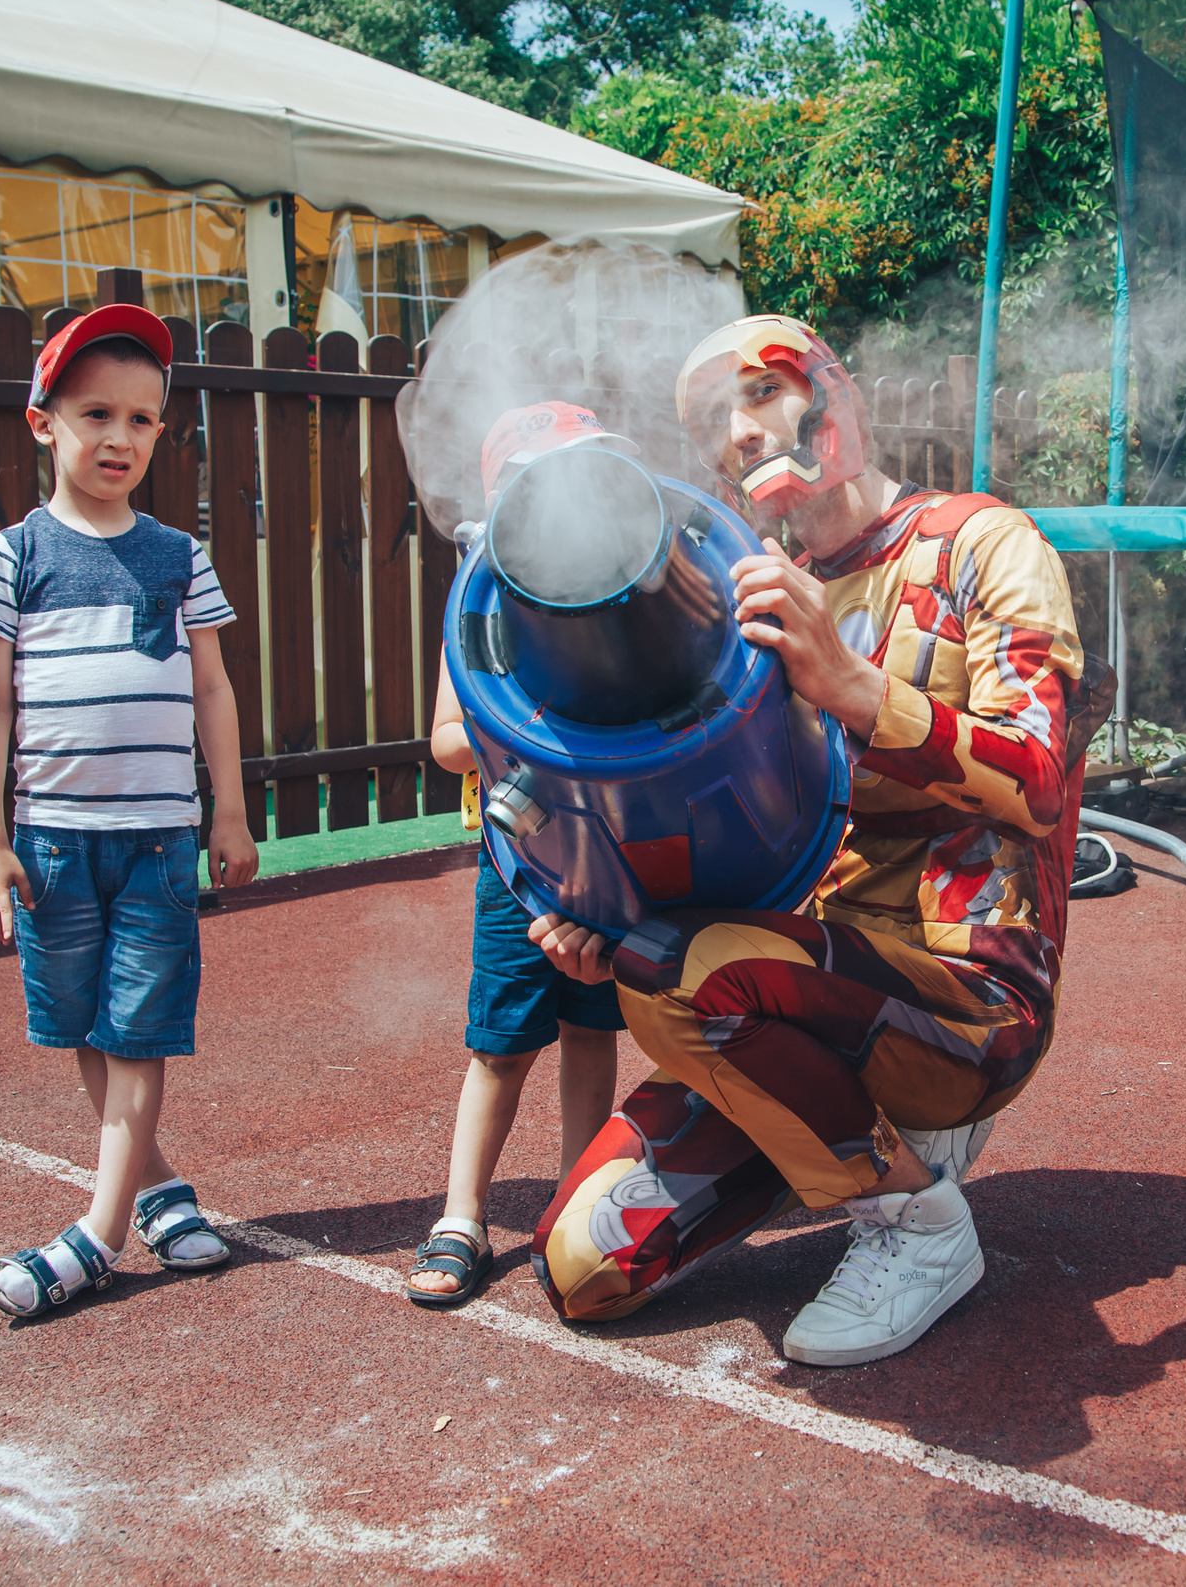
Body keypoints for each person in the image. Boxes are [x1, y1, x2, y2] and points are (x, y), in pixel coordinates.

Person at [524, 315, 1111, 1365]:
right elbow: (729, 851)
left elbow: (1036, 783)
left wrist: (850, 687)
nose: (737, 433)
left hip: (965, 988)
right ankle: (847, 1131)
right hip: (796, 984)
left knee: (674, 972)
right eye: (712, 420)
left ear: (832, 394)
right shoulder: (747, 596)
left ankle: (915, 1225)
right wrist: (595, 911)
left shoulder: (982, 541)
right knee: (582, 1267)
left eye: (760, 393)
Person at [0, 303, 259, 1320]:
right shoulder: (13, 556)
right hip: (50, 842)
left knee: (138, 1033)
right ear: (43, 421)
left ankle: (97, 1234)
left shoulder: (180, 555)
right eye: (96, 414)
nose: (119, 437)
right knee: (89, 1024)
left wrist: (230, 813)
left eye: (142, 419)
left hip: (161, 842)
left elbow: (212, 687)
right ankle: (159, 1190)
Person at [403, 403, 626, 1307]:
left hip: (608, 861)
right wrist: (526, 737)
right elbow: (446, 739)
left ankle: (578, 1193)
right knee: (500, 1041)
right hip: (518, 864)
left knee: (593, 1027)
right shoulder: (480, 608)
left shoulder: (618, 595)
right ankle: (463, 1211)